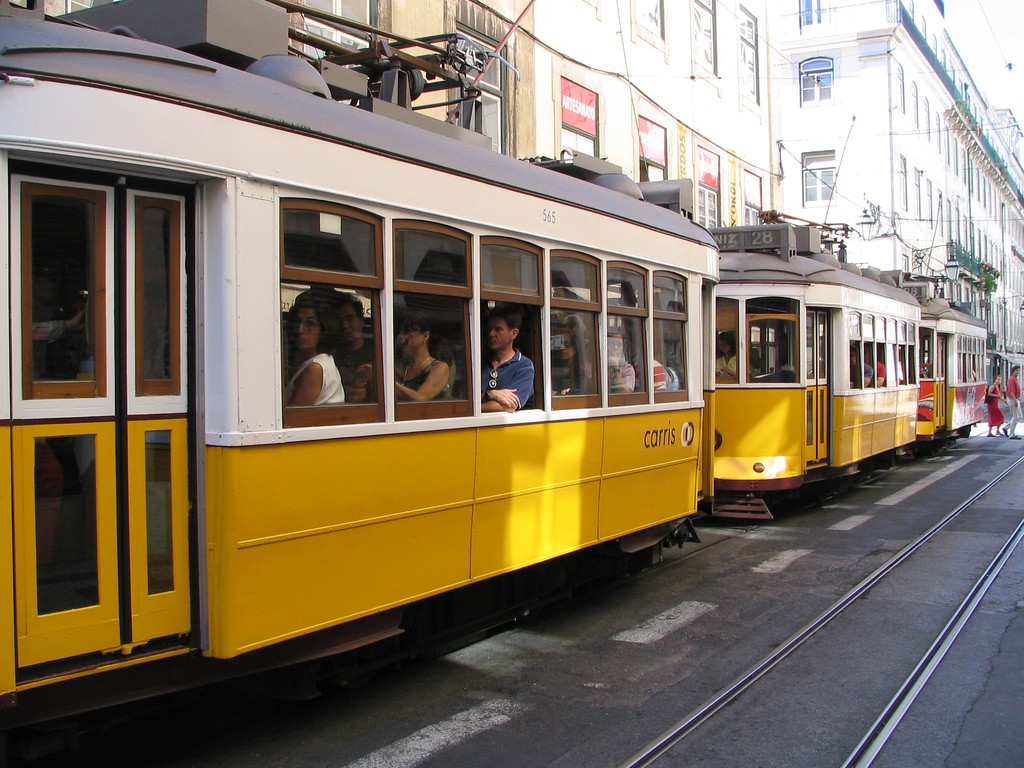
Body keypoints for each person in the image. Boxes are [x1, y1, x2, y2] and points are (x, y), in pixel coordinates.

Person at [284, 290, 345, 406]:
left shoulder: (315, 368)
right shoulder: (323, 361)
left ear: (324, 328)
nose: (300, 330)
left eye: (310, 324)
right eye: (297, 322)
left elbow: (292, 419)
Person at [482, 304, 534, 412]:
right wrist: (491, 394)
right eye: (490, 328)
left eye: (498, 329)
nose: (491, 334)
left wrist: (476, 405)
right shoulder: (479, 361)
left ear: (513, 333)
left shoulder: (524, 366)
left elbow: (509, 406)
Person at [394, 312, 451, 402]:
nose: (401, 336)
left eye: (407, 331)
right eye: (399, 332)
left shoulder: (439, 368)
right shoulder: (398, 366)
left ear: (425, 336)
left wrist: (385, 381)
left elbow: (421, 398)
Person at [334, 292, 375, 403]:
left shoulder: (376, 355)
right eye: (340, 320)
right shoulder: (331, 355)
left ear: (361, 320)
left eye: (349, 318)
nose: (345, 325)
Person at [1003, 365, 1021, 439]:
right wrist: (1015, 400)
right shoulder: (1011, 379)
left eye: (1018, 371)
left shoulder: (1015, 379)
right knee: (1016, 417)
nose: (1018, 372)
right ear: (1013, 371)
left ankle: (1006, 428)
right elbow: (1011, 391)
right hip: (1012, 399)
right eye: (1016, 371)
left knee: (1018, 416)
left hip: (1015, 398)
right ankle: (1011, 434)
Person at [986, 372, 1006, 437]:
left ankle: (996, 431)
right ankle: (990, 432)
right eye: (998, 379)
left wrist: (1004, 400)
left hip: (995, 404)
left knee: (998, 417)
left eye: (1000, 379)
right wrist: (997, 395)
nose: (999, 381)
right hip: (992, 405)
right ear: (995, 379)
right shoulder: (993, 386)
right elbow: (988, 394)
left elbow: (999, 396)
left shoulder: (997, 387)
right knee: (997, 417)